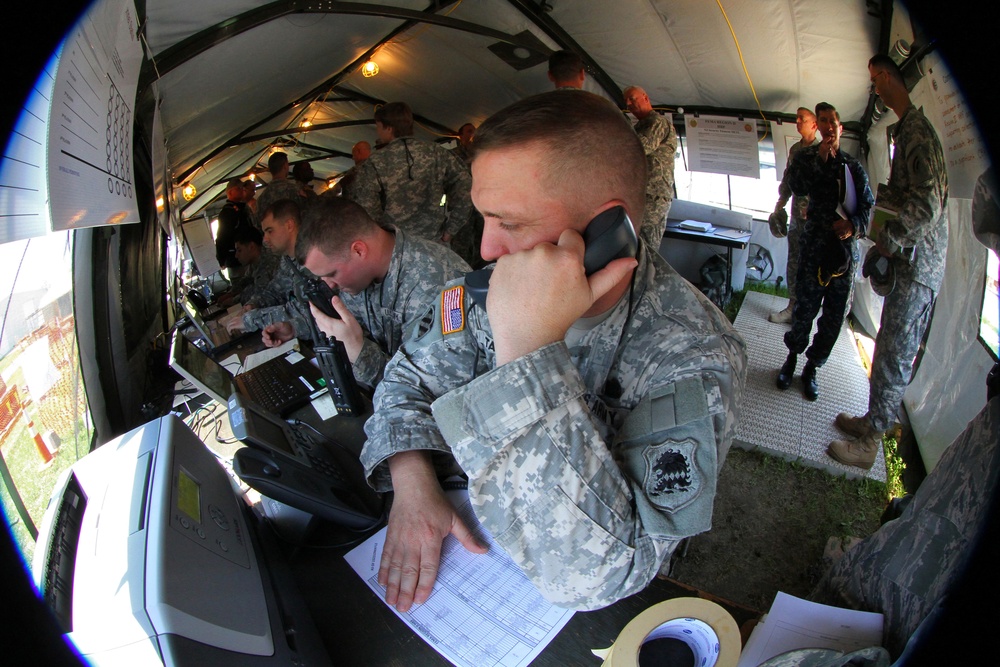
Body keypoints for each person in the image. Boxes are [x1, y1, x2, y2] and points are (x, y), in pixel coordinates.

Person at [361, 90, 747, 612]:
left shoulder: (691, 352)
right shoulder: (486, 289)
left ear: (606, 229)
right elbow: (406, 380)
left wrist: (526, 354)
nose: (487, 250)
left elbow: (606, 576)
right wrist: (411, 483)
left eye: (510, 223)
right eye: (483, 218)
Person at [828, 55, 949, 469]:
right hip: (910, 264)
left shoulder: (916, 130)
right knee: (886, 349)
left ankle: (870, 444)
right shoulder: (907, 129)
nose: (875, 88)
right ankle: (871, 421)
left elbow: (929, 205)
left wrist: (889, 242)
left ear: (890, 78)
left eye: (877, 79)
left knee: (896, 353)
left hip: (919, 266)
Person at [262, 197, 471, 388]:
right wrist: (295, 328)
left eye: (331, 273)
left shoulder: (434, 285)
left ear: (359, 250)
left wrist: (358, 351)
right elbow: (348, 318)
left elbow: (425, 389)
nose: (330, 285)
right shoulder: (360, 276)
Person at [776, 102, 874, 402]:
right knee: (804, 309)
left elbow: (869, 209)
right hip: (813, 250)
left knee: (833, 318)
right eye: (823, 121)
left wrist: (852, 225)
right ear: (817, 127)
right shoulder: (806, 157)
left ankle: (812, 368)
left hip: (842, 257)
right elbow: (794, 187)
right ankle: (791, 359)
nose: (829, 126)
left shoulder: (853, 166)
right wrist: (819, 161)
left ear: (841, 127)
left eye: (833, 120)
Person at [347, 102, 472, 245]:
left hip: (397, 248)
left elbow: (367, 209)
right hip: (435, 245)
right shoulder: (437, 152)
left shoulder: (375, 162)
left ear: (388, 128)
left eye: (378, 126)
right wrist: (451, 229)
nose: (378, 131)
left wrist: (381, 241)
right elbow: (465, 185)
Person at [768, 107, 820, 324]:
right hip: (797, 218)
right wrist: (780, 204)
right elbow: (788, 179)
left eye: (803, 119)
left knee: (811, 265)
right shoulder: (796, 150)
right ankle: (792, 306)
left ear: (814, 125)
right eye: (797, 118)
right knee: (793, 261)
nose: (798, 122)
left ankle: (805, 311)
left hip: (815, 220)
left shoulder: (822, 151)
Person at [623, 85, 678, 253]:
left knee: (647, 248)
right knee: (635, 244)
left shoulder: (657, 122)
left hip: (654, 195)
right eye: (626, 101)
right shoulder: (640, 126)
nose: (628, 103)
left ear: (646, 98)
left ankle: (647, 278)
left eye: (632, 98)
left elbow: (639, 149)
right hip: (642, 194)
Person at [450, 122, 485, 268]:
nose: (472, 135)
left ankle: (481, 270)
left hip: (481, 204)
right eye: (469, 131)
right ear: (460, 135)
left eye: (474, 132)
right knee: (462, 242)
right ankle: (462, 271)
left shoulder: (481, 154)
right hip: (461, 206)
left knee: (481, 239)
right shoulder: (452, 155)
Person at [254, 151, 304, 229]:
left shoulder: (262, 197)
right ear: (285, 166)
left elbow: (258, 224)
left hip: (271, 240)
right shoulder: (294, 190)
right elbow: (305, 216)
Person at [214, 177, 253, 275]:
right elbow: (222, 237)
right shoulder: (228, 212)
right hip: (236, 260)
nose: (242, 191)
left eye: (242, 188)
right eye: (238, 188)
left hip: (249, 256)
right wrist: (221, 259)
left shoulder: (243, 209)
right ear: (230, 192)